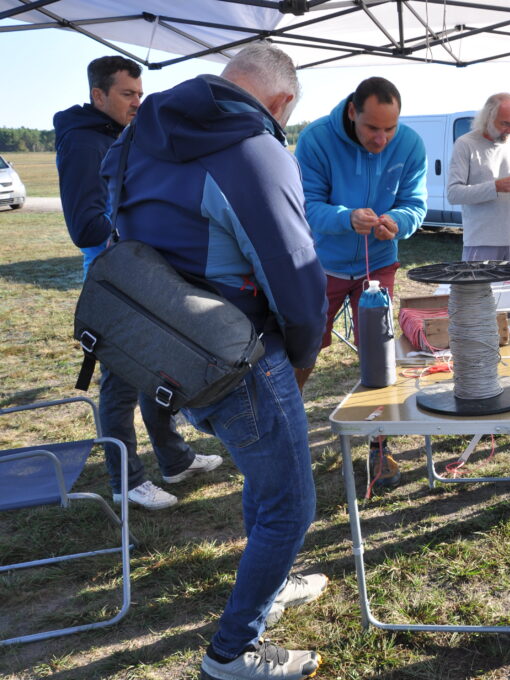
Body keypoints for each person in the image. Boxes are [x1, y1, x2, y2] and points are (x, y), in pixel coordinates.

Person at [100, 43, 329, 680]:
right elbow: (297, 278)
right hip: (239, 356)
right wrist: (306, 355)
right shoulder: (255, 150)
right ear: (281, 103)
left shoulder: (137, 137)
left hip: (161, 347)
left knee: (266, 477)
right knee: (291, 505)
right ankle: (233, 652)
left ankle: (271, 584)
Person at [53, 56, 221, 511]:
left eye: (140, 93)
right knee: (121, 381)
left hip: (141, 272)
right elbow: (85, 226)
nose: (137, 102)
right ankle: (124, 481)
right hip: (117, 278)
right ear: (99, 95)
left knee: (157, 367)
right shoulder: (85, 142)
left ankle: (174, 459)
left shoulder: (117, 134)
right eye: (128, 94)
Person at [294, 76, 427, 488]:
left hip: (378, 264)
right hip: (321, 265)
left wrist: (398, 223)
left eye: (390, 128)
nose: (382, 139)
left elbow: (415, 205)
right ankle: (285, 433)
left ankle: (379, 447)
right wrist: (345, 218)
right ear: (353, 112)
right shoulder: (316, 139)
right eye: (373, 128)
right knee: (303, 348)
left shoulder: (411, 144)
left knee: (379, 351)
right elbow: (306, 205)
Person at [446, 92, 510, 263]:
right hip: (482, 240)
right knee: (479, 290)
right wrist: (495, 187)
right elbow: (454, 194)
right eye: (505, 123)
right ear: (488, 117)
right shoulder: (465, 144)